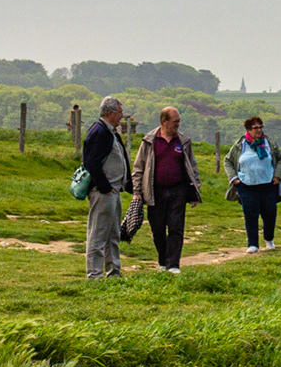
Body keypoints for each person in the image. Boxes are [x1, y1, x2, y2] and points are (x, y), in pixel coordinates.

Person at [133, 106, 202, 274]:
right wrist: (137, 192)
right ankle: (163, 261)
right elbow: (138, 167)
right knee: (157, 228)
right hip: (155, 190)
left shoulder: (183, 142)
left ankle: (173, 265)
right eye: (175, 121)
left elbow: (192, 167)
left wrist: (195, 190)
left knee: (176, 227)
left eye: (179, 121)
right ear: (164, 121)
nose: (178, 124)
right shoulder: (149, 141)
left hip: (178, 190)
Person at [82, 98, 132, 278]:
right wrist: (104, 186)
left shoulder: (110, 132)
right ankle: (94, 275)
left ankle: (114, 273)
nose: (121, 116)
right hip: (104, 192)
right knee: (98, 234)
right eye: (119, 112)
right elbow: (91, 162)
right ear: (110, 113)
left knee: (113, 234)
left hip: (114, 191)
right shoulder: (99, 132)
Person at [226, 115, 281, 250]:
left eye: (260, 127)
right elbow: (228, 161)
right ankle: (253, 244)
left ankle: (269, 239)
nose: (259, 130)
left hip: (268, 184)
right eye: (255, 128)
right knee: (250, 214)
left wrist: (278, 175)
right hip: (246, 185)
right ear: (248, 130)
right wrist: (234, 178)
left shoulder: (269, 143)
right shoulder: (239, 145)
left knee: (270, 214)